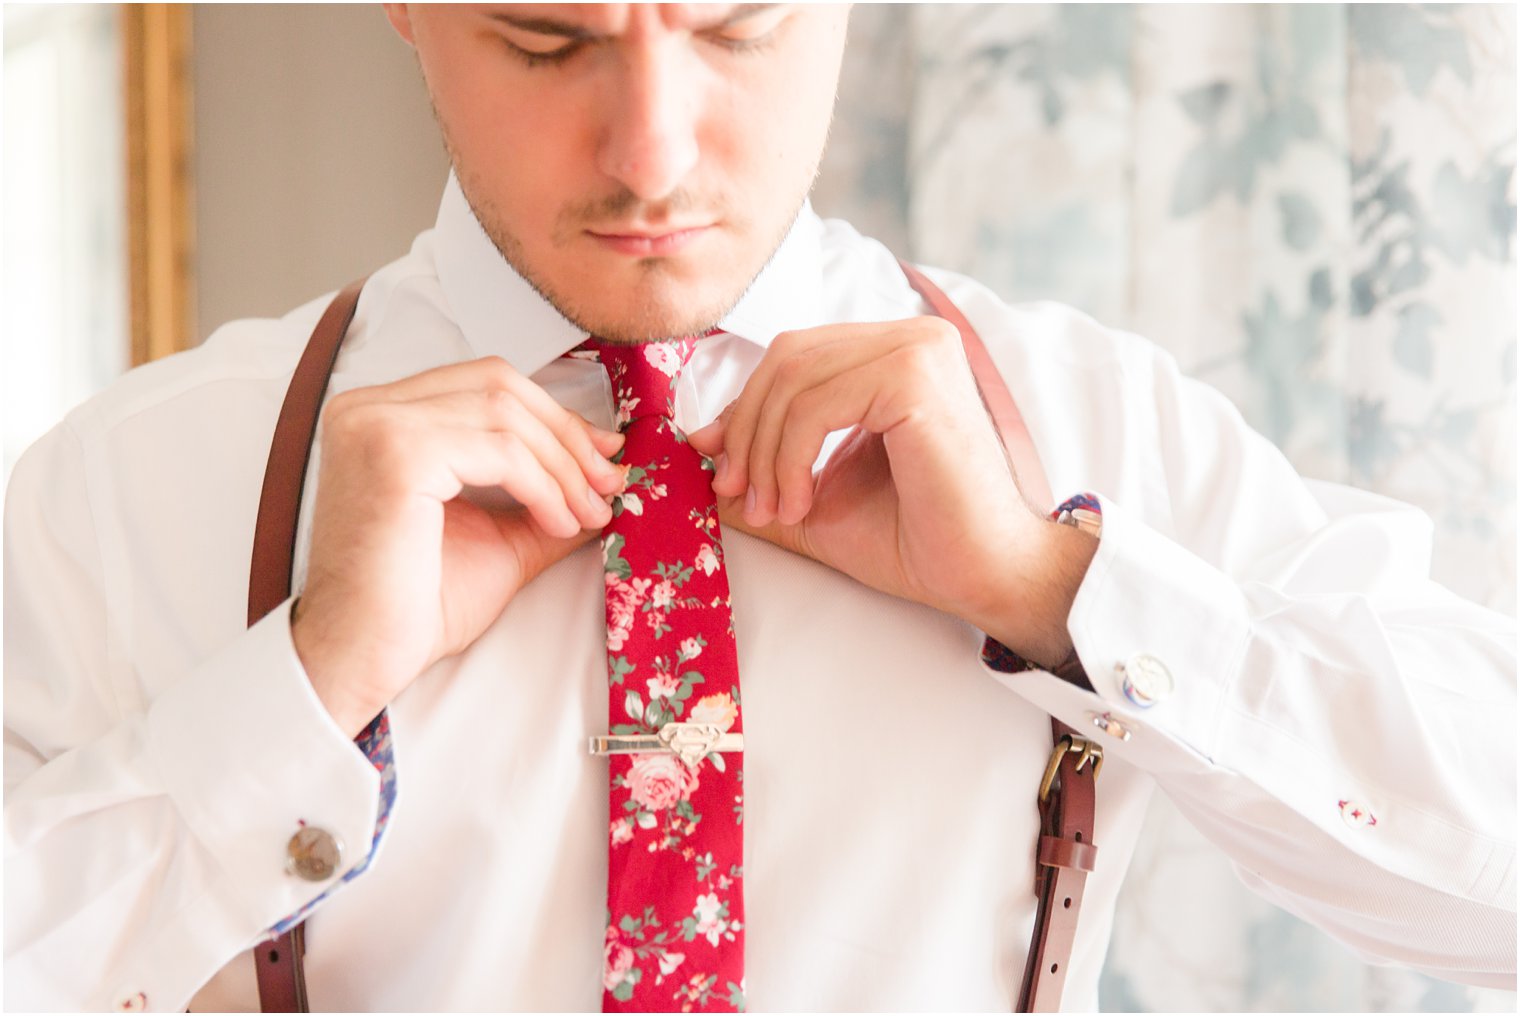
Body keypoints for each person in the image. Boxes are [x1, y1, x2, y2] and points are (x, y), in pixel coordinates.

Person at [5, 4, 1515, 1011]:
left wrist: (1064, 592)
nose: (651, 151)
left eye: (738, 24)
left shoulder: (1085, 424)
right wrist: (301, 684)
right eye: (546, 40)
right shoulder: (142, 486)